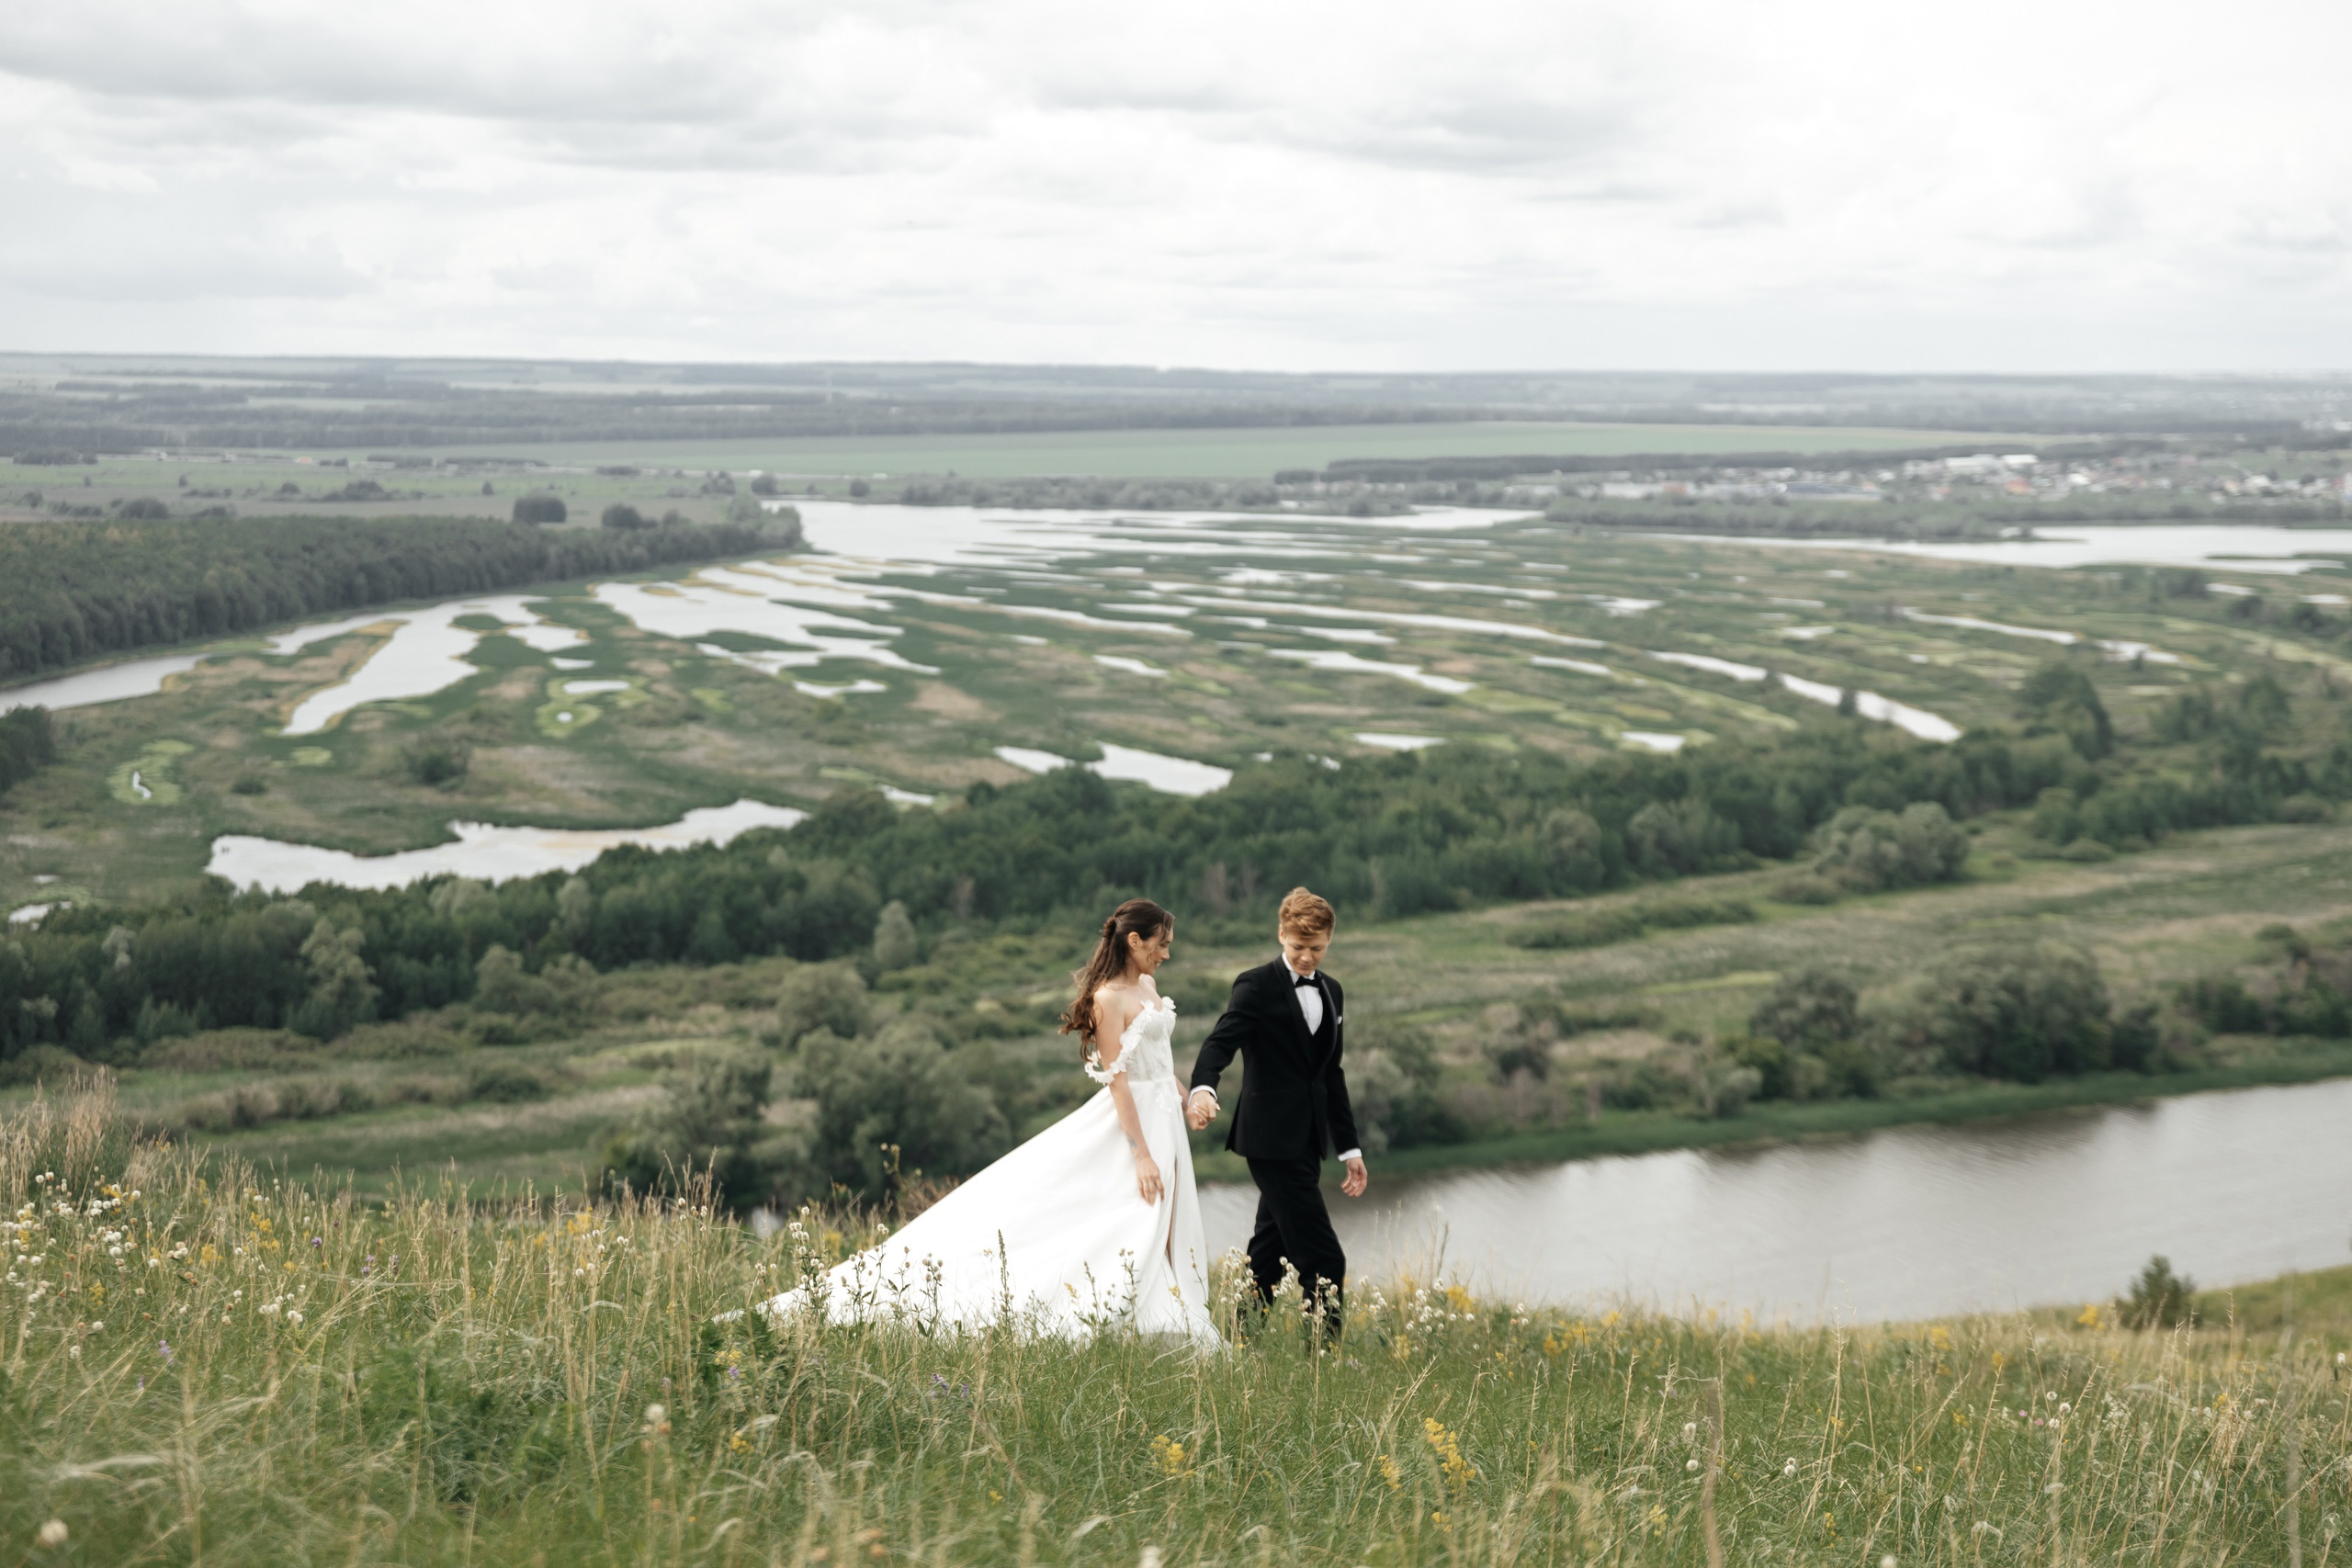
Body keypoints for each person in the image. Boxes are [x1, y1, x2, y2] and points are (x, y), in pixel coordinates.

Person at [762, 897, 1217, 1344]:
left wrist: (1187, 1102)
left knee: (1163, 1218)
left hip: (1164, 1118)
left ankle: (1169, 1311)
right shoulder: (1108, 999)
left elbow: (1158, 1066)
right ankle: (1135, 1317)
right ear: (1134, 941)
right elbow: (1119, 1081)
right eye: (1161, 943)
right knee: (1131, 1216)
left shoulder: (1149, 987)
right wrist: (1140, 1155)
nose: (1166, 953)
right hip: (1133, 1126)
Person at [1187, 886, 1367, 1331]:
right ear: (1281, 935)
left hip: (1308, 1142)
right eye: (1298, 946)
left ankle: (1237, 1344)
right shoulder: (1255, 985)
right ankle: (1323, 1360)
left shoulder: (1333, 991)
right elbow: (1220, 1043)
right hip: (1268, 1141)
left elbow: (1330, 1074)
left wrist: (1349, 1148)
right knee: (1325, 1259)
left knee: (1268, 1256)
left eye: (1317, 948)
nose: (1307, 957)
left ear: (1329, 941)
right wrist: (1203, 1088)